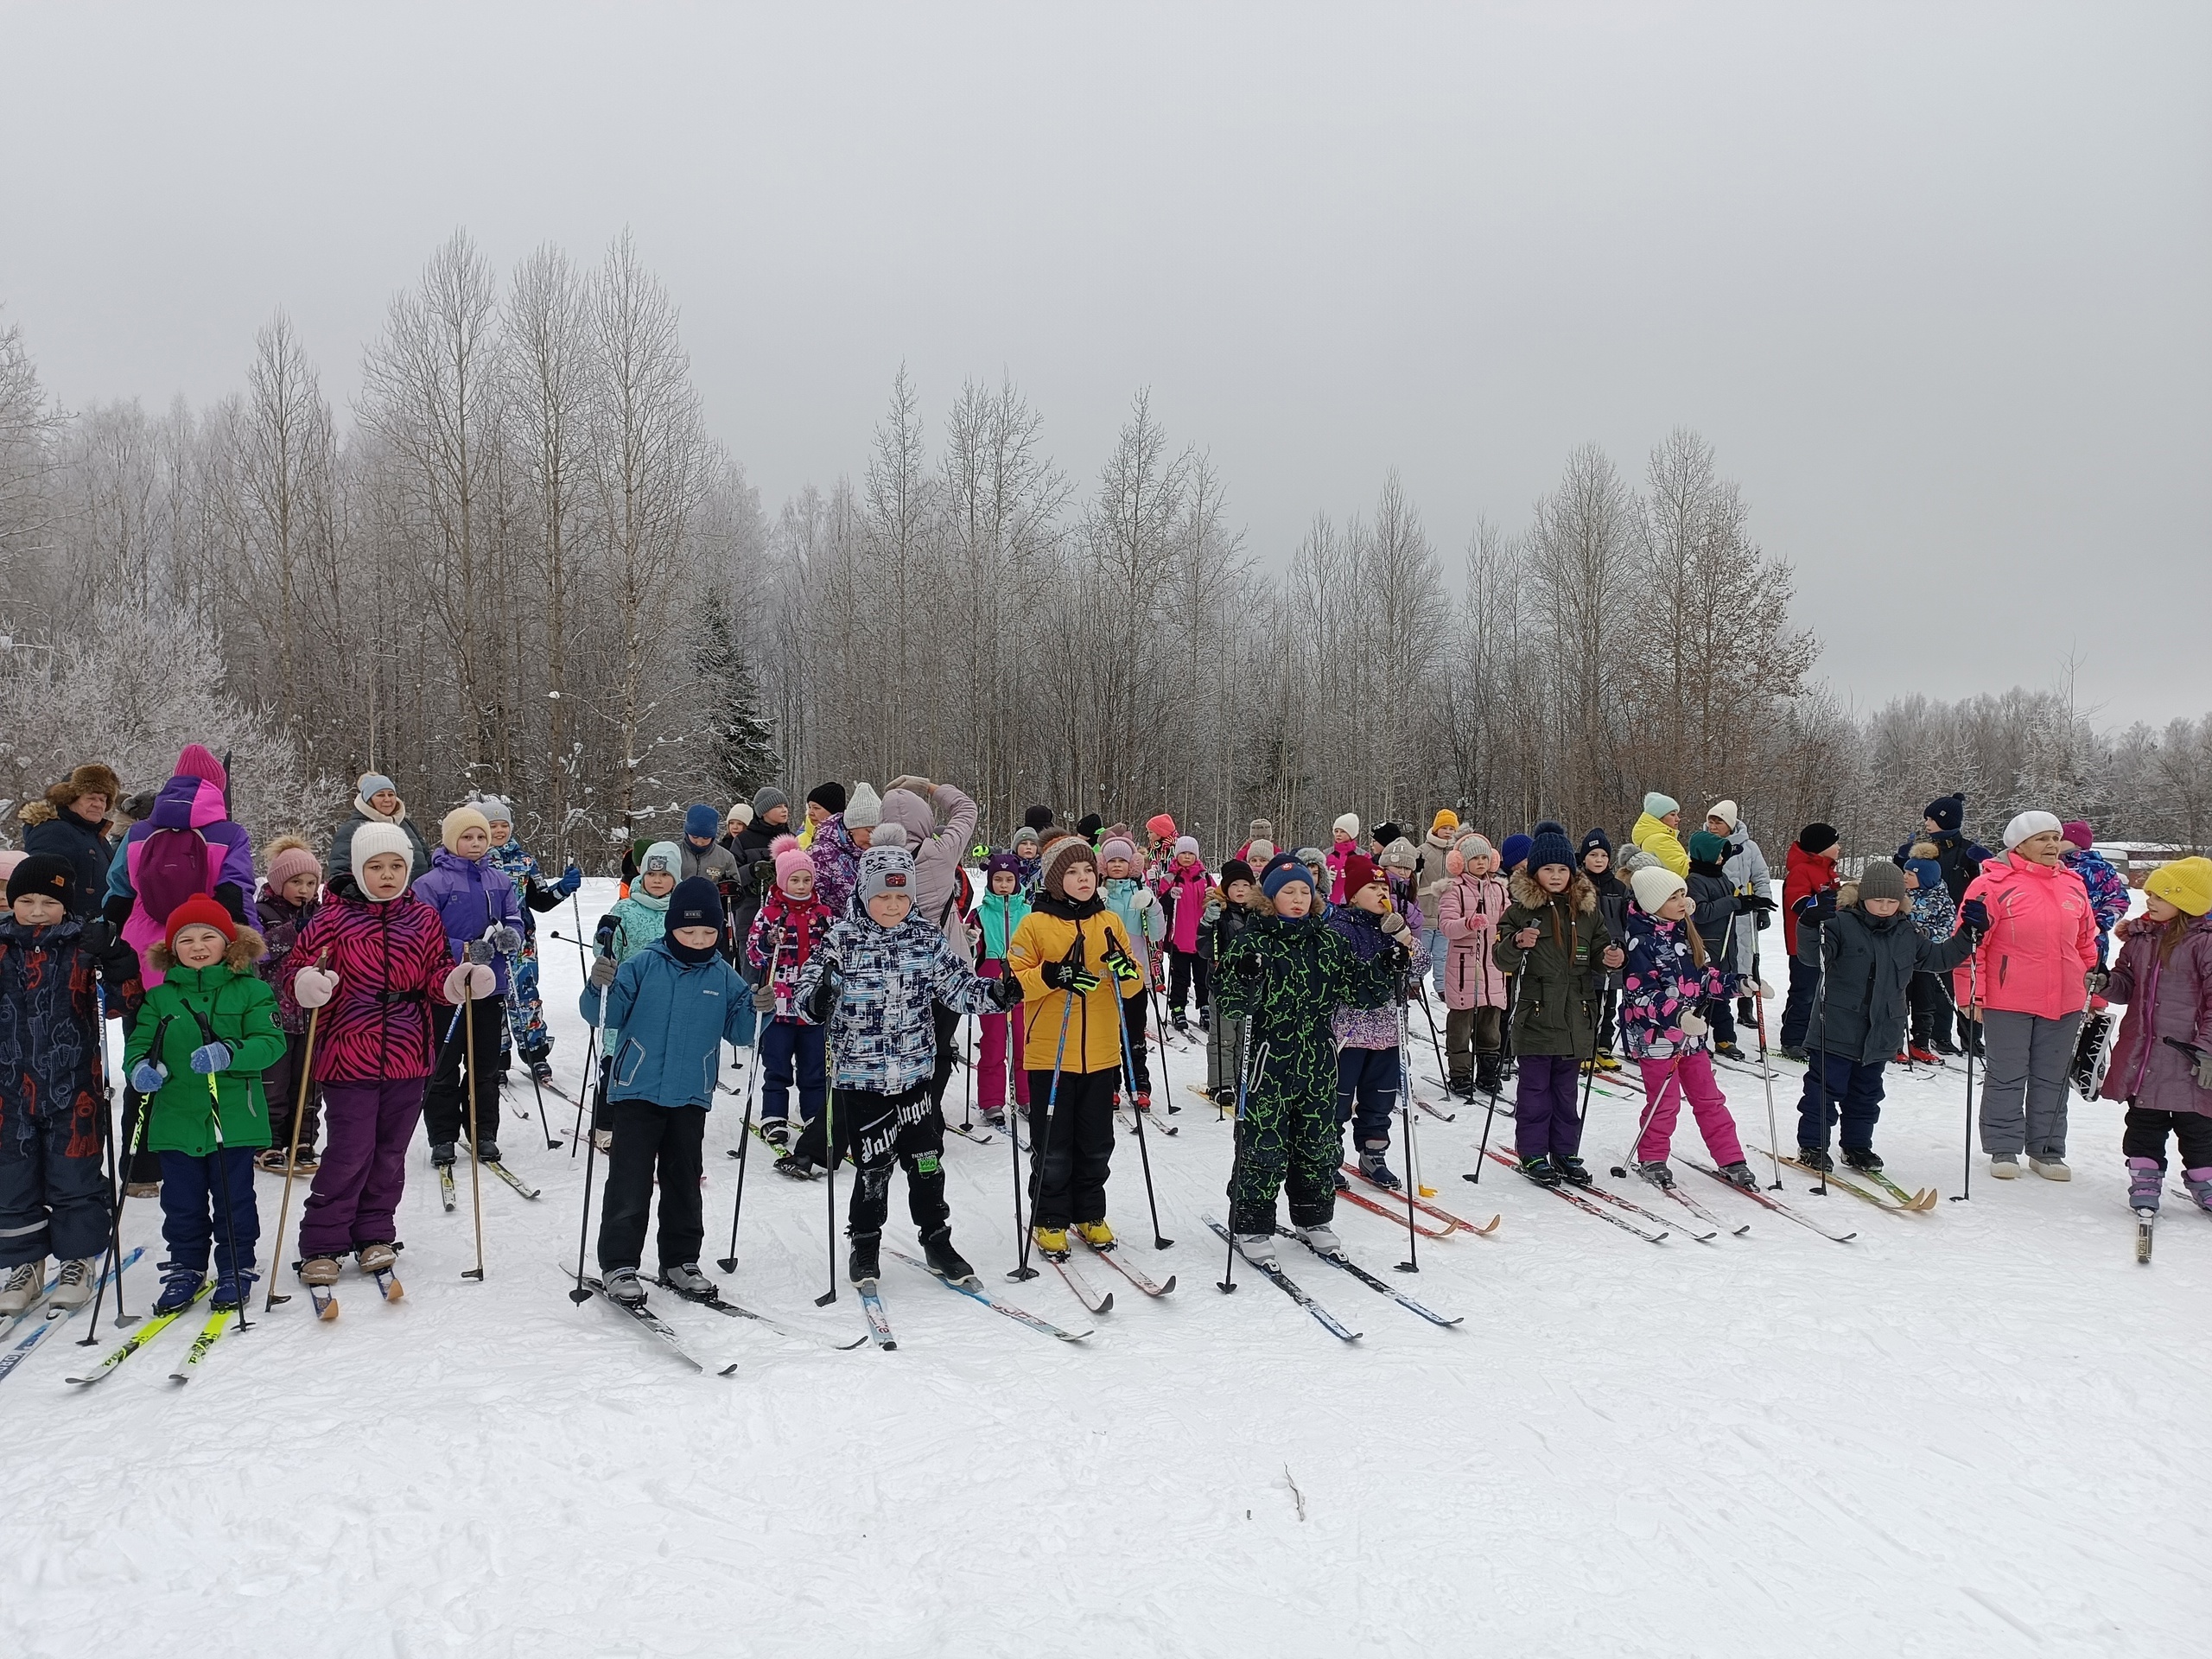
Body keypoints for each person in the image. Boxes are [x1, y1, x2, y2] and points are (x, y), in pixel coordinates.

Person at [793, 840, 1015, 1282]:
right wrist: (818, 1000)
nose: (892, 905)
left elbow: (957, 988)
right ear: (863, 894)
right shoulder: (842, 939)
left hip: (916, 1072)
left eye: (901, 896)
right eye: (882, 896)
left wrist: (994, 994)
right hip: (862, 1078)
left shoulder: (925, 938)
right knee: (874, 1165)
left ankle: (936, 1238)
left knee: (927, 1159)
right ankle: (865, 1243)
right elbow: (805, 996)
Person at [283, 824, 474, 1293]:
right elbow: (295, 973)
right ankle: (323, 1240)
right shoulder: (331, 920)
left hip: (409, 1052)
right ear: (357, 870)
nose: (387, 875)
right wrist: (305, 983)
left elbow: (435, 975)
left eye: (396, 867)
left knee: (390, 1152)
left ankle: (374, 1232)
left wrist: (456, 983)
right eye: (376, 867)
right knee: (350, 1150)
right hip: (349, 1048)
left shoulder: (424, 919)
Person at [1215, 853, 1401, 1262]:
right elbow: (1229, 1000)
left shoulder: (1329, 940)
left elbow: (1360, 992)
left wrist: (1386, 967)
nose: (1298, 898)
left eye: (1305, 891)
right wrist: (1246, 975)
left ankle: (1313, 1216)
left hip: (1318, 1056)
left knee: (1317, 1142)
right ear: (1269, 897)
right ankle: (1252, 1222)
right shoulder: (1253, 940)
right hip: (1269, 1057)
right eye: (1288, 892)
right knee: (1264, 1143)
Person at [580, 876, 752, 1308]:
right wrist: (599, 985)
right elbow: (602, 1015)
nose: (698, 940)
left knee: (684, 1182)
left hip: (690, 1093)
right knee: (630, 1181)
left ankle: (680, 1260)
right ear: (671, 927)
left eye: (709, 933)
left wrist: (757, 1006)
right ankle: (619, 1262)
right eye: (688, 931)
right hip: (637, 1090)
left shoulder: (725, 977)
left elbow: (743, 1033)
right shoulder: (643, 965)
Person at [124, 896, 285, 1313]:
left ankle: (236, 1266)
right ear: (171, 948)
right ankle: (185, 1266)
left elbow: (270, 1044)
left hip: (232, 1119)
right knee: (181, 1201)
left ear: (227, 943)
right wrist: (142, 1068)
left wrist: (229, 1052)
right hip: (175, 1118)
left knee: (233, 1200)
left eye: (208, 936)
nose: (197, 945)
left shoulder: (252, 990)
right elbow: (140, 1044)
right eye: (186, 938)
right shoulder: (160, 997)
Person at [0, 855, 141, 1316]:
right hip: (8, 1091)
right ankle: (26, 1265)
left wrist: (117, 956)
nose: (37, 911)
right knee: (12, 1182)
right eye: (26, 901)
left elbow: (127, 1003)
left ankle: (77, 1260)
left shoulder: (84, 948)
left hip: (73, 1088)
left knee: (73, 1179)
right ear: (10, 902)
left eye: (48, 902)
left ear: (66, 906)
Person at [1790, 861, 1980, 1172]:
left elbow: (1939, 958)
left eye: (1892, 901)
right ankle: (1812, 1144)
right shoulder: (1840, 923)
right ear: (1863, 896)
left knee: (1866, 1095)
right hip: (1836, 1027)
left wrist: (1968, 935)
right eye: (1878, 900)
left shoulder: (1906, 931)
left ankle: (1857, 1146)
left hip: (1881, 1030)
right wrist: (1811, 924)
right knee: (1823, 1090)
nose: (1884, 906)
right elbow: (1813, 957)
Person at [1007, 836, 1146, 1252]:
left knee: (1097, 1141)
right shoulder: (1034, 924)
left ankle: (1089, 1212)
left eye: (1088, 870)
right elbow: (1014, 982)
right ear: (1054, 879)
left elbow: (1135, 984)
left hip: (1102, 1052)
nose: (1083, 879)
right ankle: (1049, 1215)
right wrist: (1052, 976)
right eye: (1071, 872)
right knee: (1053, 1144)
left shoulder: (1109, 922)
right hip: (1051, 1052)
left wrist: (1125, 969)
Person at [1956, 811, 2099, 1180]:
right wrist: (1973, 994)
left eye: (2055, 838)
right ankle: (2003, 1148)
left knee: (2053, 1077)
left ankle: (2047, 1151)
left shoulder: (2073, 885)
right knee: (2007, 1074)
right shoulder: (1991, 885)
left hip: (2065, 999)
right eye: (2042, 839)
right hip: (2008, 999)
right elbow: (1973, 947)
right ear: (2019, 845)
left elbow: (2086, 944)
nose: (2052, 845)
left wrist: (2094, 991)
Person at [1492, 829, 1623, 1186]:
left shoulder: (1586, 911)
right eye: (1547, 869)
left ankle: (1565, 1151)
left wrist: (1611, 958)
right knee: (1535, 1091)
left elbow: (1599, 955)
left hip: (1576, 1017)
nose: (1555, 876)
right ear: (1534, 872)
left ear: (1572, 872)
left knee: (1567, 1093)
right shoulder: (1520, 911)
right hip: (1535, 1016)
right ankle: (1533, 1152)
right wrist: (1517, 942)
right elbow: (1500, 956)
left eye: (1562, 869)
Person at [1618, 866, 1758, 1189]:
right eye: (1673, 897)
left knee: (1709, 1099)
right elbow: (1640, 993)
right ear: (1653, 903)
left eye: (1683, 894)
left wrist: (1740, 984)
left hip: (1691, 1038)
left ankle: (1731, 1158)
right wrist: (1678, 1017)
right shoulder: (1640, 940)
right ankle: (1652, 1156)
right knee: (1664, 1102)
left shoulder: (1684, 931)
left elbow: (1705, 979)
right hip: (1656, 1038)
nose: (1683, 902)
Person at [412, 805, 525, 1169]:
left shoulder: (500, 880)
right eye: (467, 837)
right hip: (447, 986)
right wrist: (462, 947)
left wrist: (512, 935)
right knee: (445, 1063)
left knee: (485, 1065)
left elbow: (514, 917)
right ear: (451, 840)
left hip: (489, 988)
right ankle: (443, 1136)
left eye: (481, 836)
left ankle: (483, 1132)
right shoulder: (431, 883)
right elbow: (423, 931)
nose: (476, 843)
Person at [2100, 856, 2212, 1214]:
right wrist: (2104, 983)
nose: (2149, 900)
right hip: (2144, 1053)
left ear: (2185, 902)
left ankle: (2204, 1180)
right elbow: (2126, 987)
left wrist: (2206, 1048)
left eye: (2160, 896)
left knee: (2196, 1127)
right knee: (2144, 1122)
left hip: (2189, 1056)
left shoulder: (2204, 945)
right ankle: (2145, 1179)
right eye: (2149, 893)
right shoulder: (2139, 940)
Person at [100, 743, 261, 982]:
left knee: (147, 1017)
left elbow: (119, 892)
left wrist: (109, 941)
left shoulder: (138, 833)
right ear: (218, 789)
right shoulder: (230, 835)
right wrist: (248, 946)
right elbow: (235, 893)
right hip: (206, 951)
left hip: (143, 953)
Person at [881, 776, 981, 1116]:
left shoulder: (874, 863)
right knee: (938, 1047)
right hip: (948, 972)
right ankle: (927, 1113)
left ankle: (895, 1113)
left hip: (897, 976)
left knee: (898, 1047)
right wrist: (929, 787)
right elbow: (967, 809)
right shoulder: (940, 852)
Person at [1326, 853, 1418, 1190]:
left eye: (1385, 887)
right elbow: (1343, 975)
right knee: (1337, 1098)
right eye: (1372, 886)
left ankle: (1373, 1153)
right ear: (1353, 894)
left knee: (1380, 1099)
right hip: (1350, 1033)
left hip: (1389, 1032)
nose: (1382, 893)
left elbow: (1419, 966)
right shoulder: (1341, 928)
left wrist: (1405, 939)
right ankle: (1328, 1155)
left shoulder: (1394, 926)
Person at [480, 796, 581, 1090]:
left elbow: (540, 900)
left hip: (521, 943)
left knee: (525, 997)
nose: (499, 831)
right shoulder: (476, 860)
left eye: (503, 825)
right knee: (493, 998)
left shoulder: (525, 861)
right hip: (488, 942)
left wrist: (562, 888)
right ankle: (498, 1059)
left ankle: (536, 1054)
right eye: (492, 826)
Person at [744, 836, 833, 1150]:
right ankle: (773, 1117)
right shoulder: (770, 914)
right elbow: (753, 954)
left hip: (813, 1005)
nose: (800, 885)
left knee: (814, 1067)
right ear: (782, 881)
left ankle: (813, 1116)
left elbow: (836, 952)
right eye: (794, 879)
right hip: (779, 1007)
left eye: (806, 879)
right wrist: (768, 942)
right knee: (777, 1065)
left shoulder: (822, 914)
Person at [253, 837, 326, 1173]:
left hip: (311, 1013)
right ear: (279, 882)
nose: (304, 889)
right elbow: (257, 954)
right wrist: (291, 931)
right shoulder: (261, 912)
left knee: (309, 1081)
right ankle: (268, 1142)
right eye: (296, 882)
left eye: (311, 883)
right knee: (274, 1082)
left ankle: (304, 1138)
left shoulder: (321, 915)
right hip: (275, 1014)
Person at [1096, 835, 1166, 1110]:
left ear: (1132, 865)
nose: (1116, 865)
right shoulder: (1097, 892)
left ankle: (1139, 1085)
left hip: (1134, 974)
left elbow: (1158, 932)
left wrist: (1151, 906)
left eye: (1121, 861)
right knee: (1109, 1034)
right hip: (1103, 975)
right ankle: (1110, 1084)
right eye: (1111, 860)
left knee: (1134, 1032)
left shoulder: (1142, 891)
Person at [1440, 831, 1510, 1099]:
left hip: (1493, 967)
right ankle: (1460, 1073)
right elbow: (1446, 926)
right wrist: (1468, 923)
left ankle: (1487, 1073)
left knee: (1490, 1025)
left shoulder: (1499, 889)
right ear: (1461, 862)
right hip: (1463, 968)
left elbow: (1508, 920)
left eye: (1484, 857)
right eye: (1474, 858)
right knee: (1460, 1026)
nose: (1480, 863)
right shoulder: (1453, 889)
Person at [970, 851, 1032, 1129]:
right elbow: (969, 949)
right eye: (998, 879)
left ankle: (1027, 1096)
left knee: (1024, 1042)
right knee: (994, 1043)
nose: (1004, 884)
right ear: (990, 880)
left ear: (1017, 881)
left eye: (1009, 879)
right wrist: (969, 938)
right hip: (991, 982)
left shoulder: (1029, 912)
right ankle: (992, 1101)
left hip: (1022, 980)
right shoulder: (980, 913)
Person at [19, 762, 121, 918]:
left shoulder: (93, 835)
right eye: (91, 798)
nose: (98, 804)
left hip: (94, 931)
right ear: (70, 799)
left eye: (103, 799)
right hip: (69, 933)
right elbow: (42, 888)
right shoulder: (53, 831)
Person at [1684, 830, 1752, 1058]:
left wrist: (1746, 903)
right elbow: (1702, 912)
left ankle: (1725, 1038)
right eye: (1718, 854)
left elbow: (1731, 906)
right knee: (1703, 996)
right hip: (1708, 946)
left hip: (1727, 945)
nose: (1722, 859)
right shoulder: (1694, 880)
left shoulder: (1721, 876)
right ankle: (1696, 1038)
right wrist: (1733, 902)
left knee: (1723, 996)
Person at [1707, 802, 1774, 1028]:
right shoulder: (1704, 844)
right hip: (1718, 910)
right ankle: (1715, 1007)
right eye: (1712, 821)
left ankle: (1746, 1008)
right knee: (1721, 960)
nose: (1714, 826)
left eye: (1720, 822)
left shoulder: (1749, 847)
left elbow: (1761, 876)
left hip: (1745, 911)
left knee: (1747, 958)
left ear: (1731, 824)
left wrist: (1763, 906)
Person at [1777, 822, 1841, 1060]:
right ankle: (1793, 1039)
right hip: (1803, 944)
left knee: (1820, 991)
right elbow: (1796, 902)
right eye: (1835, 843)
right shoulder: (1802, 870)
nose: (1839, 847)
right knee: (1804, 992)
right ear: (1821, 847)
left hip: (1827, 941)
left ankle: (1808, 1032)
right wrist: (1819, 904)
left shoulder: (1829, 870)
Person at [1198, 858, 1259, 1101]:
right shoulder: (1219, 915)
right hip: (1223, 986)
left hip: (1252, 987)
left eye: (1246, 885)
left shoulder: (1259, 916)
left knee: (1246, 1038)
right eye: (1235, 885)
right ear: (1226, 888)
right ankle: (1220, 1084)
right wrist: (1207, 923)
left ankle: (1239, 1079)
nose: (1241, 890)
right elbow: (1203, 948)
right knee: (1224, 1037)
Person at [1901, 843, 1958, 1062]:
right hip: (1903, 959)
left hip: (1925, 959)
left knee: (1925, 1002)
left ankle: (1920, 1043)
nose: (1905, 877)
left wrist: (1926, 933)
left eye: (1910, 874)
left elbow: (1948, 927)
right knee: (1898, 1001)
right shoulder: (1900, 895)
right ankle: (1894, 1043)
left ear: (1924, 878)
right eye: (1904, 873)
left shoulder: (1942, 900)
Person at [327, 772, 433, 885]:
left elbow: (427, 857)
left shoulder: (406, 824)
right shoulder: (352, 829)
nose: (387, 799)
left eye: (391, 794)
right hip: (376, 900)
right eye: (381, 795)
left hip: (417, 897)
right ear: (368, 800)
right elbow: (340, 872)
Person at [1580, 830, 1629, 1071]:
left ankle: (1604, 1046)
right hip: (1588, 954)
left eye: (1603, 855)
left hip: (1613, 951)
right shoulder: (1578, 884)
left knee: (1609, 1004)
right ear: (1584, 857)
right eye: (1593, 854)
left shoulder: (1619, 888)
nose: (1599, 860)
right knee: (1588, 1004)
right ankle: (1585, 1048)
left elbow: (1626, 920)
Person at [1154, 836, 1211, 1033]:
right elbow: (1160, 907)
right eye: (1183, 853)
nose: (1187, 857)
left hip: (1201, 937)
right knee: (1180, 977)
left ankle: (1205, 1007)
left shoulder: (1205, 878)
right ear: (1177, 855)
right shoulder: (1169, 878)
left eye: (1190, 853)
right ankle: (1177, 1008)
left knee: (1203, 977)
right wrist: (1170, 896)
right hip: (1179, 937)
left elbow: (1217, 901)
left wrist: (1213, 896)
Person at [2058, 821, 2128, 965]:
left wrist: (2099, 925)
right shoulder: (2051, 866)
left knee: (2087, 981)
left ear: (2077, 843)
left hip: (2092, 941)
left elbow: (2119, 900)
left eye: (2061, 839)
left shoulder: (2100, 869)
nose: (2055, 843)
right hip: (2057, 938)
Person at [811, 782, 879, 921]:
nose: (874, 837)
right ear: (852, 828)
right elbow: (809, 904)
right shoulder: (821, 854)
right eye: (869, 831)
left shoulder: (879, 854)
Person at [1414, 810, 1460, 997]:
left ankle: (1441, 987)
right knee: (1420, 951)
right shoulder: (1422, 850)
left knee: (1442, 955)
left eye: (1451, 828)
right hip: (1425, 911)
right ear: (1436, 828)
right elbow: (1413, 880)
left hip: (1447, 913)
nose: (1448, 832)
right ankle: (1414, 983)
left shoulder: (1458, 853)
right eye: (1444, 828)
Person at [1631, 792, 1689, 879]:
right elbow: (1682, 869)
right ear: (1659, 817)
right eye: (1672, 815)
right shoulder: (1660, 839)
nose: (1678, 819)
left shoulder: (1650, 837)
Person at [798, 782, 846, 850]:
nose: (810, 813)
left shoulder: (847, 842)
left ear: (833, 812)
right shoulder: (797, 841)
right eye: (809, 807)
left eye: (816, 808)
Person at [1324, 814, 1360, 903]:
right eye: (1336, 831)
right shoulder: (1325, 854)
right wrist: (1325, 877)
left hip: (1353, 903)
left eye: (1343, 831)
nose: (1338, 835)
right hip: (1330, 902)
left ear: (1351, 834)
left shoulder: (1362, 855)